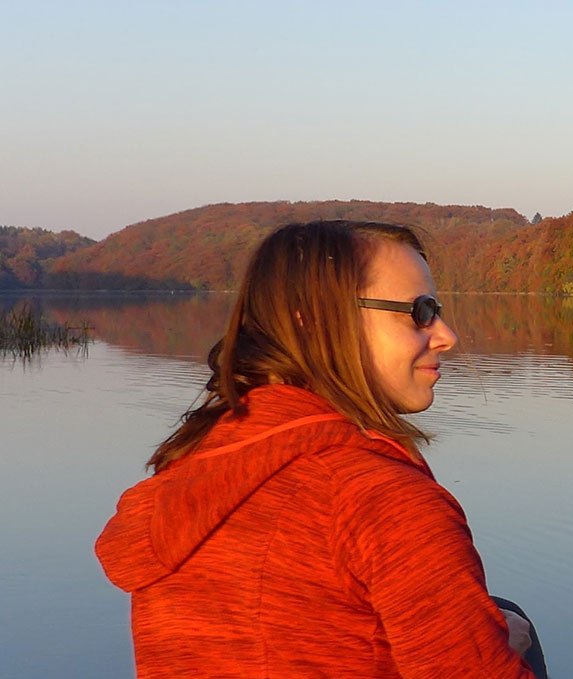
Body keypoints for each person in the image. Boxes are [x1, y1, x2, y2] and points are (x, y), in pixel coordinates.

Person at [95, 221, 548, 678]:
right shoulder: (380, 499)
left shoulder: (191, 469)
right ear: (310, 320)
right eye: (419, 311)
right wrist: (497, 652)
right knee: (513, 620)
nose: (446, 335)